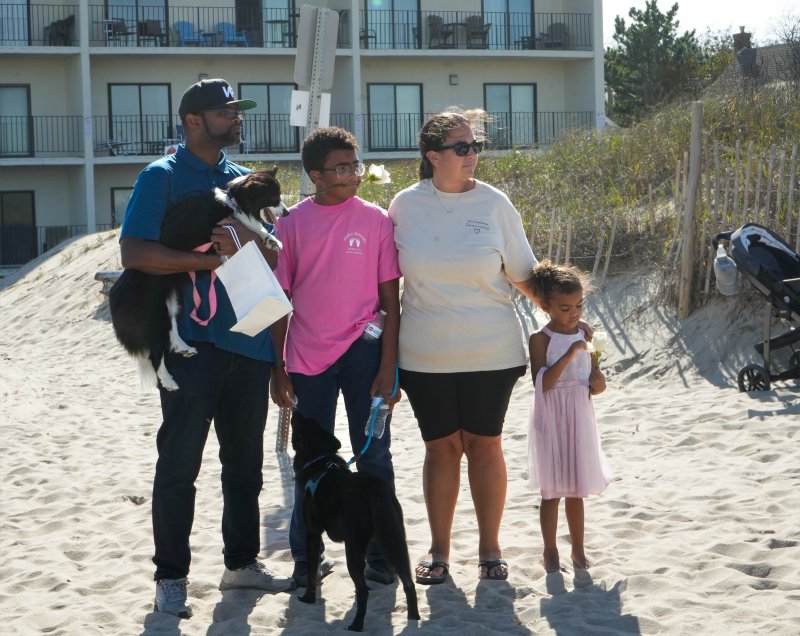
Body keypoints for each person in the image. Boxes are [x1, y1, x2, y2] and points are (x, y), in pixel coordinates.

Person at [119, 78, 294, 618]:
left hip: (248, 340)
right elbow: (134, 251)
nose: (237, 119)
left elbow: (273, 259)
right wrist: (207, 261)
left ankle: (241, 565)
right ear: (193, 120)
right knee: (179, 465)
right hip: (190, 345)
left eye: (238, 111)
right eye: (226, 112)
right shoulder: (161, 177)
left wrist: (249, 244)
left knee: (244, 465)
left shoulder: (244, 180)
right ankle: (170, 577)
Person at [388, 108, 537, 583]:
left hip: (491, 351)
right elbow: (382, 281)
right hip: (424, 353)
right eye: (460, 148)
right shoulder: (403, 205)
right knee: (441, 449)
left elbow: (524, 275)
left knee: (485, 445)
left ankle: (490, 549)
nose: (471, 155)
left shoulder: (496, 204)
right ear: (432, 156)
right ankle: (438, 552)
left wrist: (564, 322)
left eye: (474, 146)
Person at [269, 127, 402, 587]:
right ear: (316, 176)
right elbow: (278, 300)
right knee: (310, 462)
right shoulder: (289, 226)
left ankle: (381, 554)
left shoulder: (376, 219)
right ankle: (306, 558)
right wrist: (278, 368)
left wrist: (389, 366)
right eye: (342, 168)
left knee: (375, 457)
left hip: (366, 353)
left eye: (355, 165)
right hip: (307, 360)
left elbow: (391, 301)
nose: (353, 174)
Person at [524, 261, 610, 584]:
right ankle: (549, 549)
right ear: (546, 307)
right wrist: (571, 352)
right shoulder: (540, 339)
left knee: (576, 489)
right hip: (552, 416)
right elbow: (541, 384)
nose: (573, 313)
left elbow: (594, 384)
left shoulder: (586, 333)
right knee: (552, 491)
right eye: (564, 308)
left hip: (579, 414)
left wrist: (597, 382)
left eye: (578, 306)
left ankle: (577, 548)